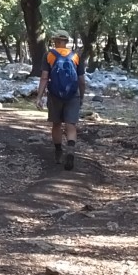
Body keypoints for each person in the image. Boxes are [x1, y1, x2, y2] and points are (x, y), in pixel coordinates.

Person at [36, 30, 85, 170]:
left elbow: (44, 77)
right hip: (72, 94)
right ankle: (70, 151)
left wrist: (39, 96)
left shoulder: (49, 55)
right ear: (67, 41)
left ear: (55, 41)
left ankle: (58, 152)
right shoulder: (76, 56)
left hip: (55, 94)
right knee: (71, 125)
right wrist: (81, 96)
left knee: (56, 124)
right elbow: (81, 80)